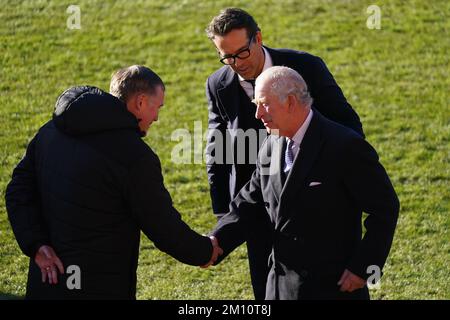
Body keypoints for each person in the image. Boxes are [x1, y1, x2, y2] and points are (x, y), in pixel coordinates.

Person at [5, 65, 222, 300]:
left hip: (48, 281)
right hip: (99, 285)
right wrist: (204, 251)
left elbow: (18, 191)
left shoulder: (50, 131)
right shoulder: (134, 156)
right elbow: (161, 225)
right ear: (140, 102)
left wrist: (36, 245)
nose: (157, 117)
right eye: (157, 107)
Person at [205, 7, 365, 299]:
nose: (236, 64)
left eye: (241, 53)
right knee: (267, 287)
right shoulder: (218, 84)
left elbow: (348, 126)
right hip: (256, 202)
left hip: (315, 204)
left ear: (258, 38)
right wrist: (223, 218)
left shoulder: (307, 68)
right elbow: (217, 148)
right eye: (226, 57)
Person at [204, 66, 399, 300]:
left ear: (291, 102)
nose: (257, 114)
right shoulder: (271, 145)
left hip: (331, 288)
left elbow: (385, 208)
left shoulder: (345, 147)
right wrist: (217, 240)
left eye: (264, 104)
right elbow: (250, 202)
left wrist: (363, 268)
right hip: (280, 287)